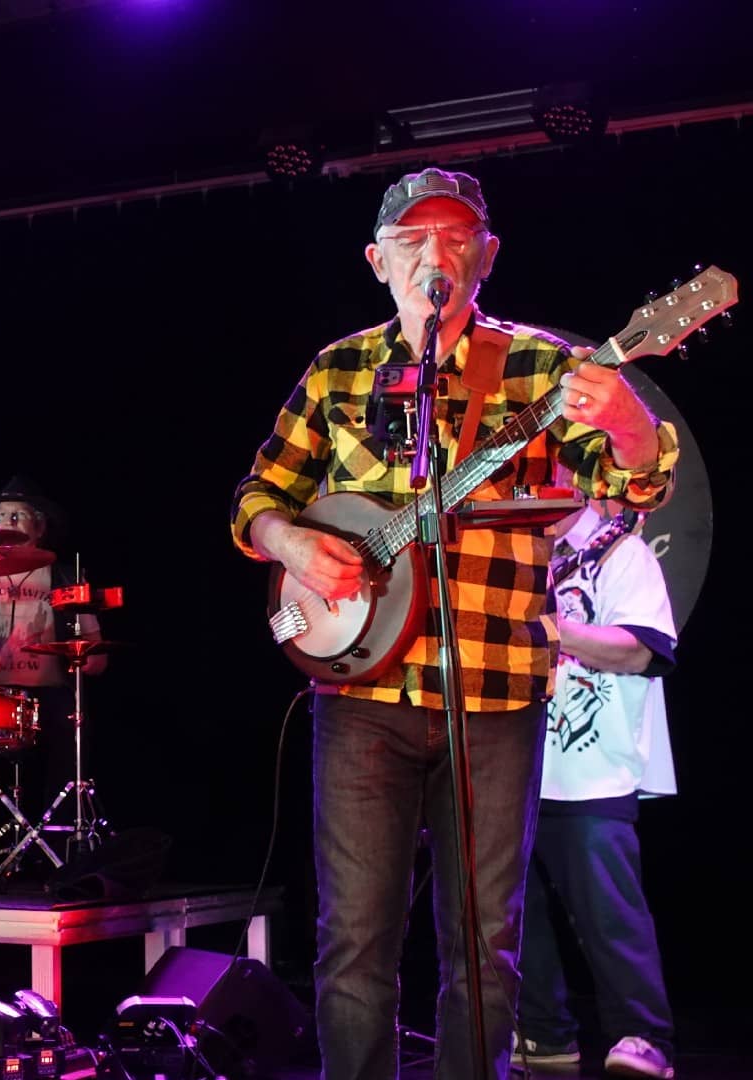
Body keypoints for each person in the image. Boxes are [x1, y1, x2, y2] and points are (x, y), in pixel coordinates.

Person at [228, 168, 678, 1080]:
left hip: (495, 683)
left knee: (484, 942)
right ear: (377, 259)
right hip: (361, 690)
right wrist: (293, 544)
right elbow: (258, 498)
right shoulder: (337, 367)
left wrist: (631, 426)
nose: (437, 253)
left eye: (457, 235)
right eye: (413, 238)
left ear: (488, 254)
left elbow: (632, 484)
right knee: (354, 940)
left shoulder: (543, 366)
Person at [516, 501, 678, 1079]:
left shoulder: (620, 554)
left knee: (610, 915)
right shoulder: (509, 554)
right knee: (508, 915)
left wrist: (549, 628)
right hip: (508, 762)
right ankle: (541, 1033)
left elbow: (639, 648)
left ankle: (644, 1036)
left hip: (590, 769)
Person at [0, 477, 106, 818]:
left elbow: (96, 649)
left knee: (71, 737)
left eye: (17, 516)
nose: (6, 524)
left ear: (39, 526)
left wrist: (92, 658)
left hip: (49, 696)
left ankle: (58, 841)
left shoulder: (66, 576)